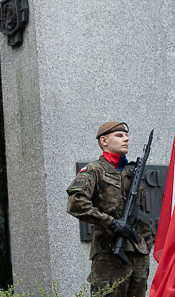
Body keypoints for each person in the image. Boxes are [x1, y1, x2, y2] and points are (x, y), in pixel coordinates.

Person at [66, 121, 153, 297]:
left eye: (127, 136)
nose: (126, 139)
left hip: (137, 257)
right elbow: (76, 203)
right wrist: (111, 223)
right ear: (104, 141)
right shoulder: (93, 171)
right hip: (109, 254)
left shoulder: (131, 174)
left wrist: (145, 246)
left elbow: (143, 215)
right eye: (119, 135)